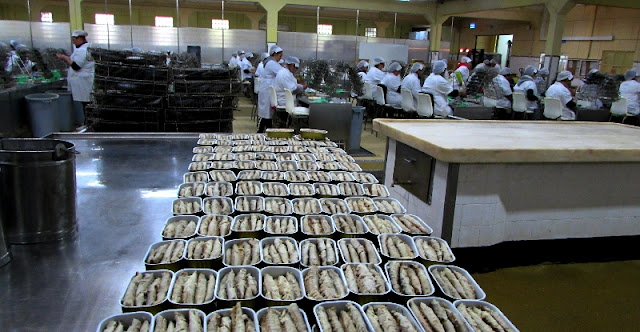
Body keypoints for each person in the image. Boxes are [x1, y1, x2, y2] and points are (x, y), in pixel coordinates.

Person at [56, 30, 95, 120]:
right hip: (85, 81)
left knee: (87, 104)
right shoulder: (87, 48)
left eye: (74, 39)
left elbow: (76, 66)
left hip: (84, 82)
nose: (73, 42)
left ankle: (88, 124)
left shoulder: (82, 50)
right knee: (87, 104)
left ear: (80, 38)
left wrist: (65, 58)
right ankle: (88, 123)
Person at [256, 45, 284, 133]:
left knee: (266, 114)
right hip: (267, 90)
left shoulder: (270, 62)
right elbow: (282, 74)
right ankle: (268, 132)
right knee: (267, 114)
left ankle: (262, 131)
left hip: (267, 89)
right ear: (275, 54)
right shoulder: (271, 63)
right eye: (280, 56)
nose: (280, 58)